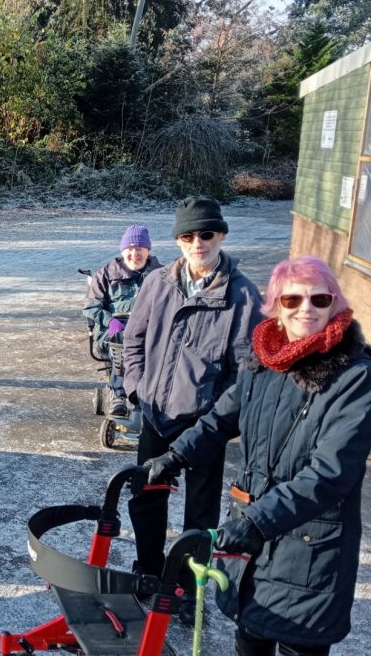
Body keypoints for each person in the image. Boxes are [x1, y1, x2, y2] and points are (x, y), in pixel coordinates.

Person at [146, 256, 371, 655]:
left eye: (319, 300)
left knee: (299, 643)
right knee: (249, 634)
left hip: (309, 545)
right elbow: (219, 420)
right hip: (252, 538)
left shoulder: (354, 377)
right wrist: (175, 456)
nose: (306, 309)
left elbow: (330, 473)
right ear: (275, 306)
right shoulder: (261, 361)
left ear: (335, 304)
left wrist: (257, 521)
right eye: (292, 300)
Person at [122, 197, 264, 623]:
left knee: (199, 515)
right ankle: (148, 569)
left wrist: (216, 420)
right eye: (187, 235)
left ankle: (184, 584)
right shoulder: (157, 283)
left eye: (206, 234)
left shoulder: (243, 296)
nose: (197, 243)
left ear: (220, 235)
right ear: (178, 240)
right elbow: (133, 340)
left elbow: (246, 373)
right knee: (145, 498)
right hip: (154, 413)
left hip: (205, 426)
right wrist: (135, 390)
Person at [82, 225, 162, 416]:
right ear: (123, 250)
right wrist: (110, 321)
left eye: (140, 249)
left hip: (150, 330)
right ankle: (120, 394)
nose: (135, 253)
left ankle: (155, 395)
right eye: (130, 249)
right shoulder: (106, 274)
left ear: (148, 250)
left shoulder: (162, 275)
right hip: (113, 333)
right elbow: (91, 307)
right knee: (123, 344)